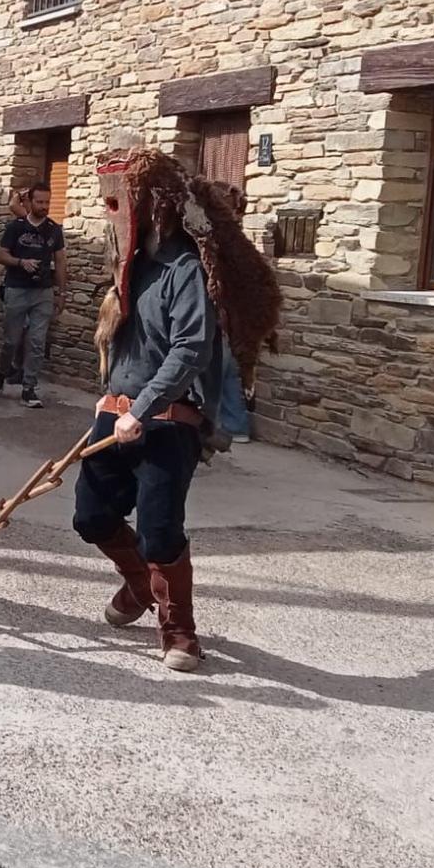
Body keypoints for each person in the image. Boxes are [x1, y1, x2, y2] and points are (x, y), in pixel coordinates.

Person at [73, 144, 279, 673]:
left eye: (120, 203)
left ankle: (180, 631)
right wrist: (109, 400)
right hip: (114, 413)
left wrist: (140, 408)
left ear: (151, 205)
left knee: (160, 531)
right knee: (91, 516)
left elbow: (190, 348)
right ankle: (141, 583)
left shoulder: (185, 269)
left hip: (166, 421)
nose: (110, 214)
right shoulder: (128, 265)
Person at [0, 183, 66, 409]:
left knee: (36, 342)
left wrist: (61, 292)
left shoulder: (54, 229)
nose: (44, 206)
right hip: (17, 288)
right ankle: (2, 371)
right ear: (30, 202)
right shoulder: (16, 227)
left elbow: (61, 261)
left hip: (43, 291)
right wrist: (20, 262)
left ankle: (29, 388)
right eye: (39, 202)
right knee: (11, 341)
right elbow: (0, 256)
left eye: (47, 202)